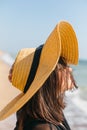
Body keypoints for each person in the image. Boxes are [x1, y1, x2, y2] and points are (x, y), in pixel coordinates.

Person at [0, 21, 79, 130]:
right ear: (47, 78)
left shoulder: (45, 110)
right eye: (61, 65)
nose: (69, 68)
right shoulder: (43, 127)